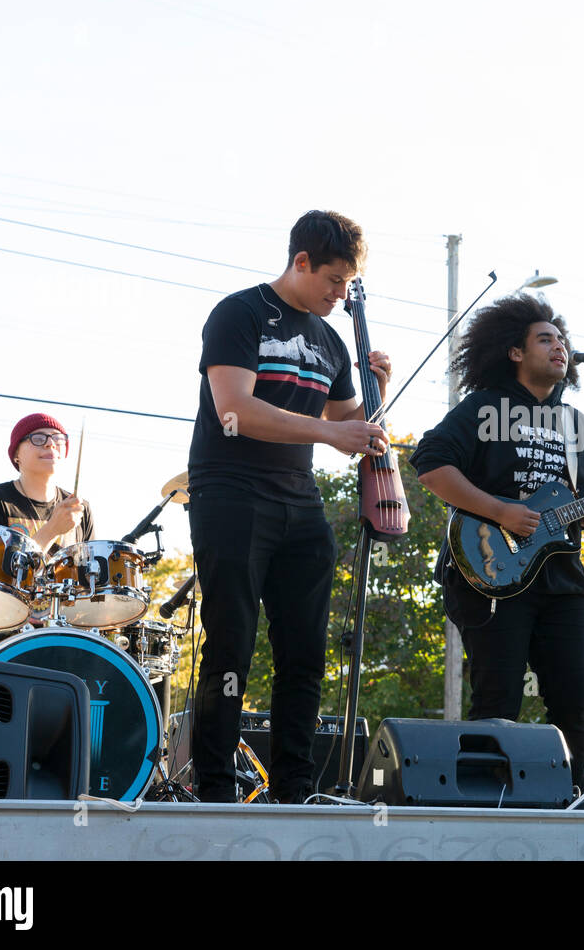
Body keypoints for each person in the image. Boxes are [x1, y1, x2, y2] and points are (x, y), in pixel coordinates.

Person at [187, 209, 390, 804]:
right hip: (231, 492)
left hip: (300, 502)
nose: (339, 295)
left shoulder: (331, 340)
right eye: (333, 281)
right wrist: (331, 435)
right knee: (231, 642)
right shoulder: (241, 312)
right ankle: (217, 787)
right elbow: (235, 410)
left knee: (305, 652)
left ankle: (296, 787)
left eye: (349, 285)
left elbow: (351, 422)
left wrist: (376, 390)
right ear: (301, 261)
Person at [409, 294, 584, 789]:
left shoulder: (580, 428)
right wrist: (499, 511)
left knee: (577, 704)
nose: (559, 346)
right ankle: (485, 806)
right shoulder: (483, 409)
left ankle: (567, 804)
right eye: (546, 339)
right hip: (494, 573)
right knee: (498, 704)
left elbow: (576, 515)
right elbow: (430, 464)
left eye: (562, 340)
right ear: (515, 352)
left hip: (562, 581)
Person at [0, 412, 93, 555]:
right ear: (16, 455)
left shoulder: (80, 509)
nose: (50, 444)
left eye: (58, 439)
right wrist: (52, 529)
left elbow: (91, 574)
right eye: (38, 438)